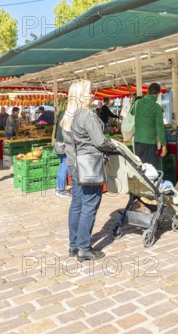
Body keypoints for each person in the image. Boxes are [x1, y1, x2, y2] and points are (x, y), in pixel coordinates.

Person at [61, 80, 116, 262]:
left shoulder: (70, 115)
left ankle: (74, 244)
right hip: (88, 163)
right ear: (81, 96)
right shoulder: (87, 116)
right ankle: (84, 247)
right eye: (90, 92)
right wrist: (112, 145)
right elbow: (99, 141)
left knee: (77, 203)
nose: (92, 95)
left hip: (75, 163)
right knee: (90, 204)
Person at [131, 83, 167, 166]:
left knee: (139, 168)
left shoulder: (137, 103)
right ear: (158, 93)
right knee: (150, 170)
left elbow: (131, 115)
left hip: (137, 142)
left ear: (148, 91)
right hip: (150, 143)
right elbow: (159, 127)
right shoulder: (157, 107)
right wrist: (164, 145)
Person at [53, 98, 70, 197]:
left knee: (62, 165)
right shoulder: (66, 115)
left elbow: (56, 132)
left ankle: (59, 188)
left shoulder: (59, 114)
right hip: (64, 144)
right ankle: (60, 190)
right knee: (64, 166)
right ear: (66, 104)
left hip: (59, 143)